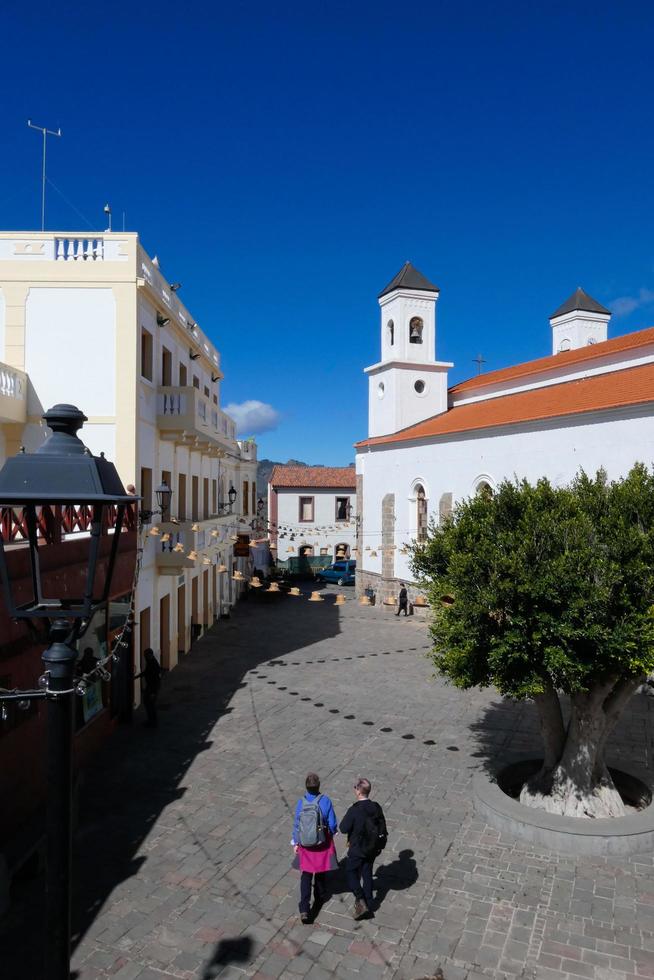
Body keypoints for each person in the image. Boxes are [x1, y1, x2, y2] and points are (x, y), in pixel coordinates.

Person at [292, 773, 339, 923]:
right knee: (320, 872)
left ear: (306, 787)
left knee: (306, 876)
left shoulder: (301, 802)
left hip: (306, 845)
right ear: (319, 786)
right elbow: (332, 824)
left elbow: (296, 825)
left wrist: (296, 842)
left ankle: (304, 908)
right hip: (321, 843)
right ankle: (319, 897)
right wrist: (330, 833)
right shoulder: (325, 801)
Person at [339, 777, 387, 919]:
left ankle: (360, 898)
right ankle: (369, 902)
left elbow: (343, 828)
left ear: (359, 791)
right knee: (367, 873)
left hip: (357, 848)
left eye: (355, 787)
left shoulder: (355, 809)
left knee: (350, 872)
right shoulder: (376, 806)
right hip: (372, 848)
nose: (354, 789)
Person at [135, 648, 163, 727]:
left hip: (152, 688)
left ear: (150, 655)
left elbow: (157, 679)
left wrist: (154, 692)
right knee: (149, 704)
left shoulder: (153, 664)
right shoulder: (150, 662)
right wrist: (137, 676)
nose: (144, 657)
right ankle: (152, 721)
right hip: (150, 687)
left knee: (150, 704)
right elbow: (146, 672)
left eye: (145, 655)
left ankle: (152, 721)